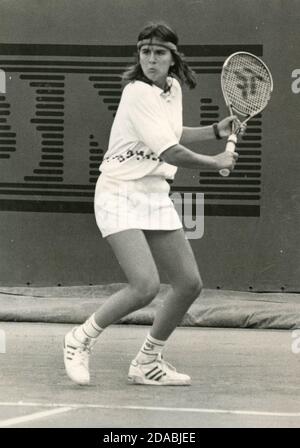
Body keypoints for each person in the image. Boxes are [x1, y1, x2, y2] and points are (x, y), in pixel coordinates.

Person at [63, 22, 241, 386]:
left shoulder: (172, 88)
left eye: (159, 52)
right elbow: (170, 150)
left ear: (173, 58)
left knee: (189, 283)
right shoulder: (136, 92)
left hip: (154, 191)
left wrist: (214, 132)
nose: (151, 59)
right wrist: (216, 162)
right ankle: (79, 340)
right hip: (119, 191)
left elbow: (170, 131)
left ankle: (147, 361)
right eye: (145, 51)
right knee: (144, 285)